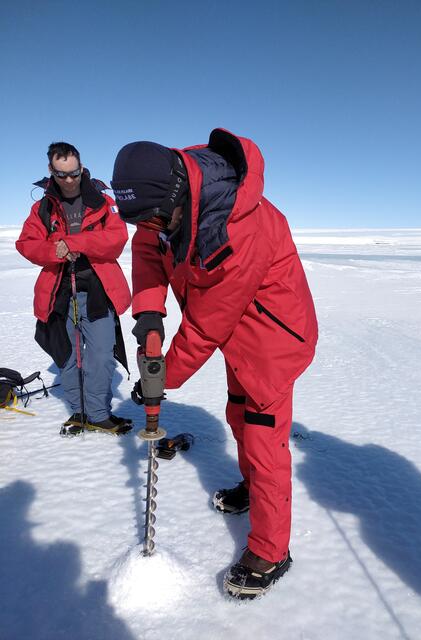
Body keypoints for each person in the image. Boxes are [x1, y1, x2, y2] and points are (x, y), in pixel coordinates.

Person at [111, 128, 318, 598]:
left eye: (156, 219)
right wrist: (148, 312)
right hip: (238, 336)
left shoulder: (243, 228)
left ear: (176, 196)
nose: (152, 228)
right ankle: (252, 487)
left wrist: (161, 379)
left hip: (273, 342)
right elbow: (147, 249)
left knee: (264, 440)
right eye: (143, 221)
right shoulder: (167, 198)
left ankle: (271, 551)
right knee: (237, 416)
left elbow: (206, 326)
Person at [16, 142, 132, 434]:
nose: (69, 180)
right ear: (51, 170)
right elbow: (26, 244)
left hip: (97, 291)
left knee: (101, 355)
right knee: (67, 356)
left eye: (74, 173)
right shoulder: (42, 207)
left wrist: (75, 243)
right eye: (62, 174)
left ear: (81, 167)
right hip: (58, 292)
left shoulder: (102, 202)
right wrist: (54, 251)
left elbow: (116, 239)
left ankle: (98, 414)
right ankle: (79, 412)